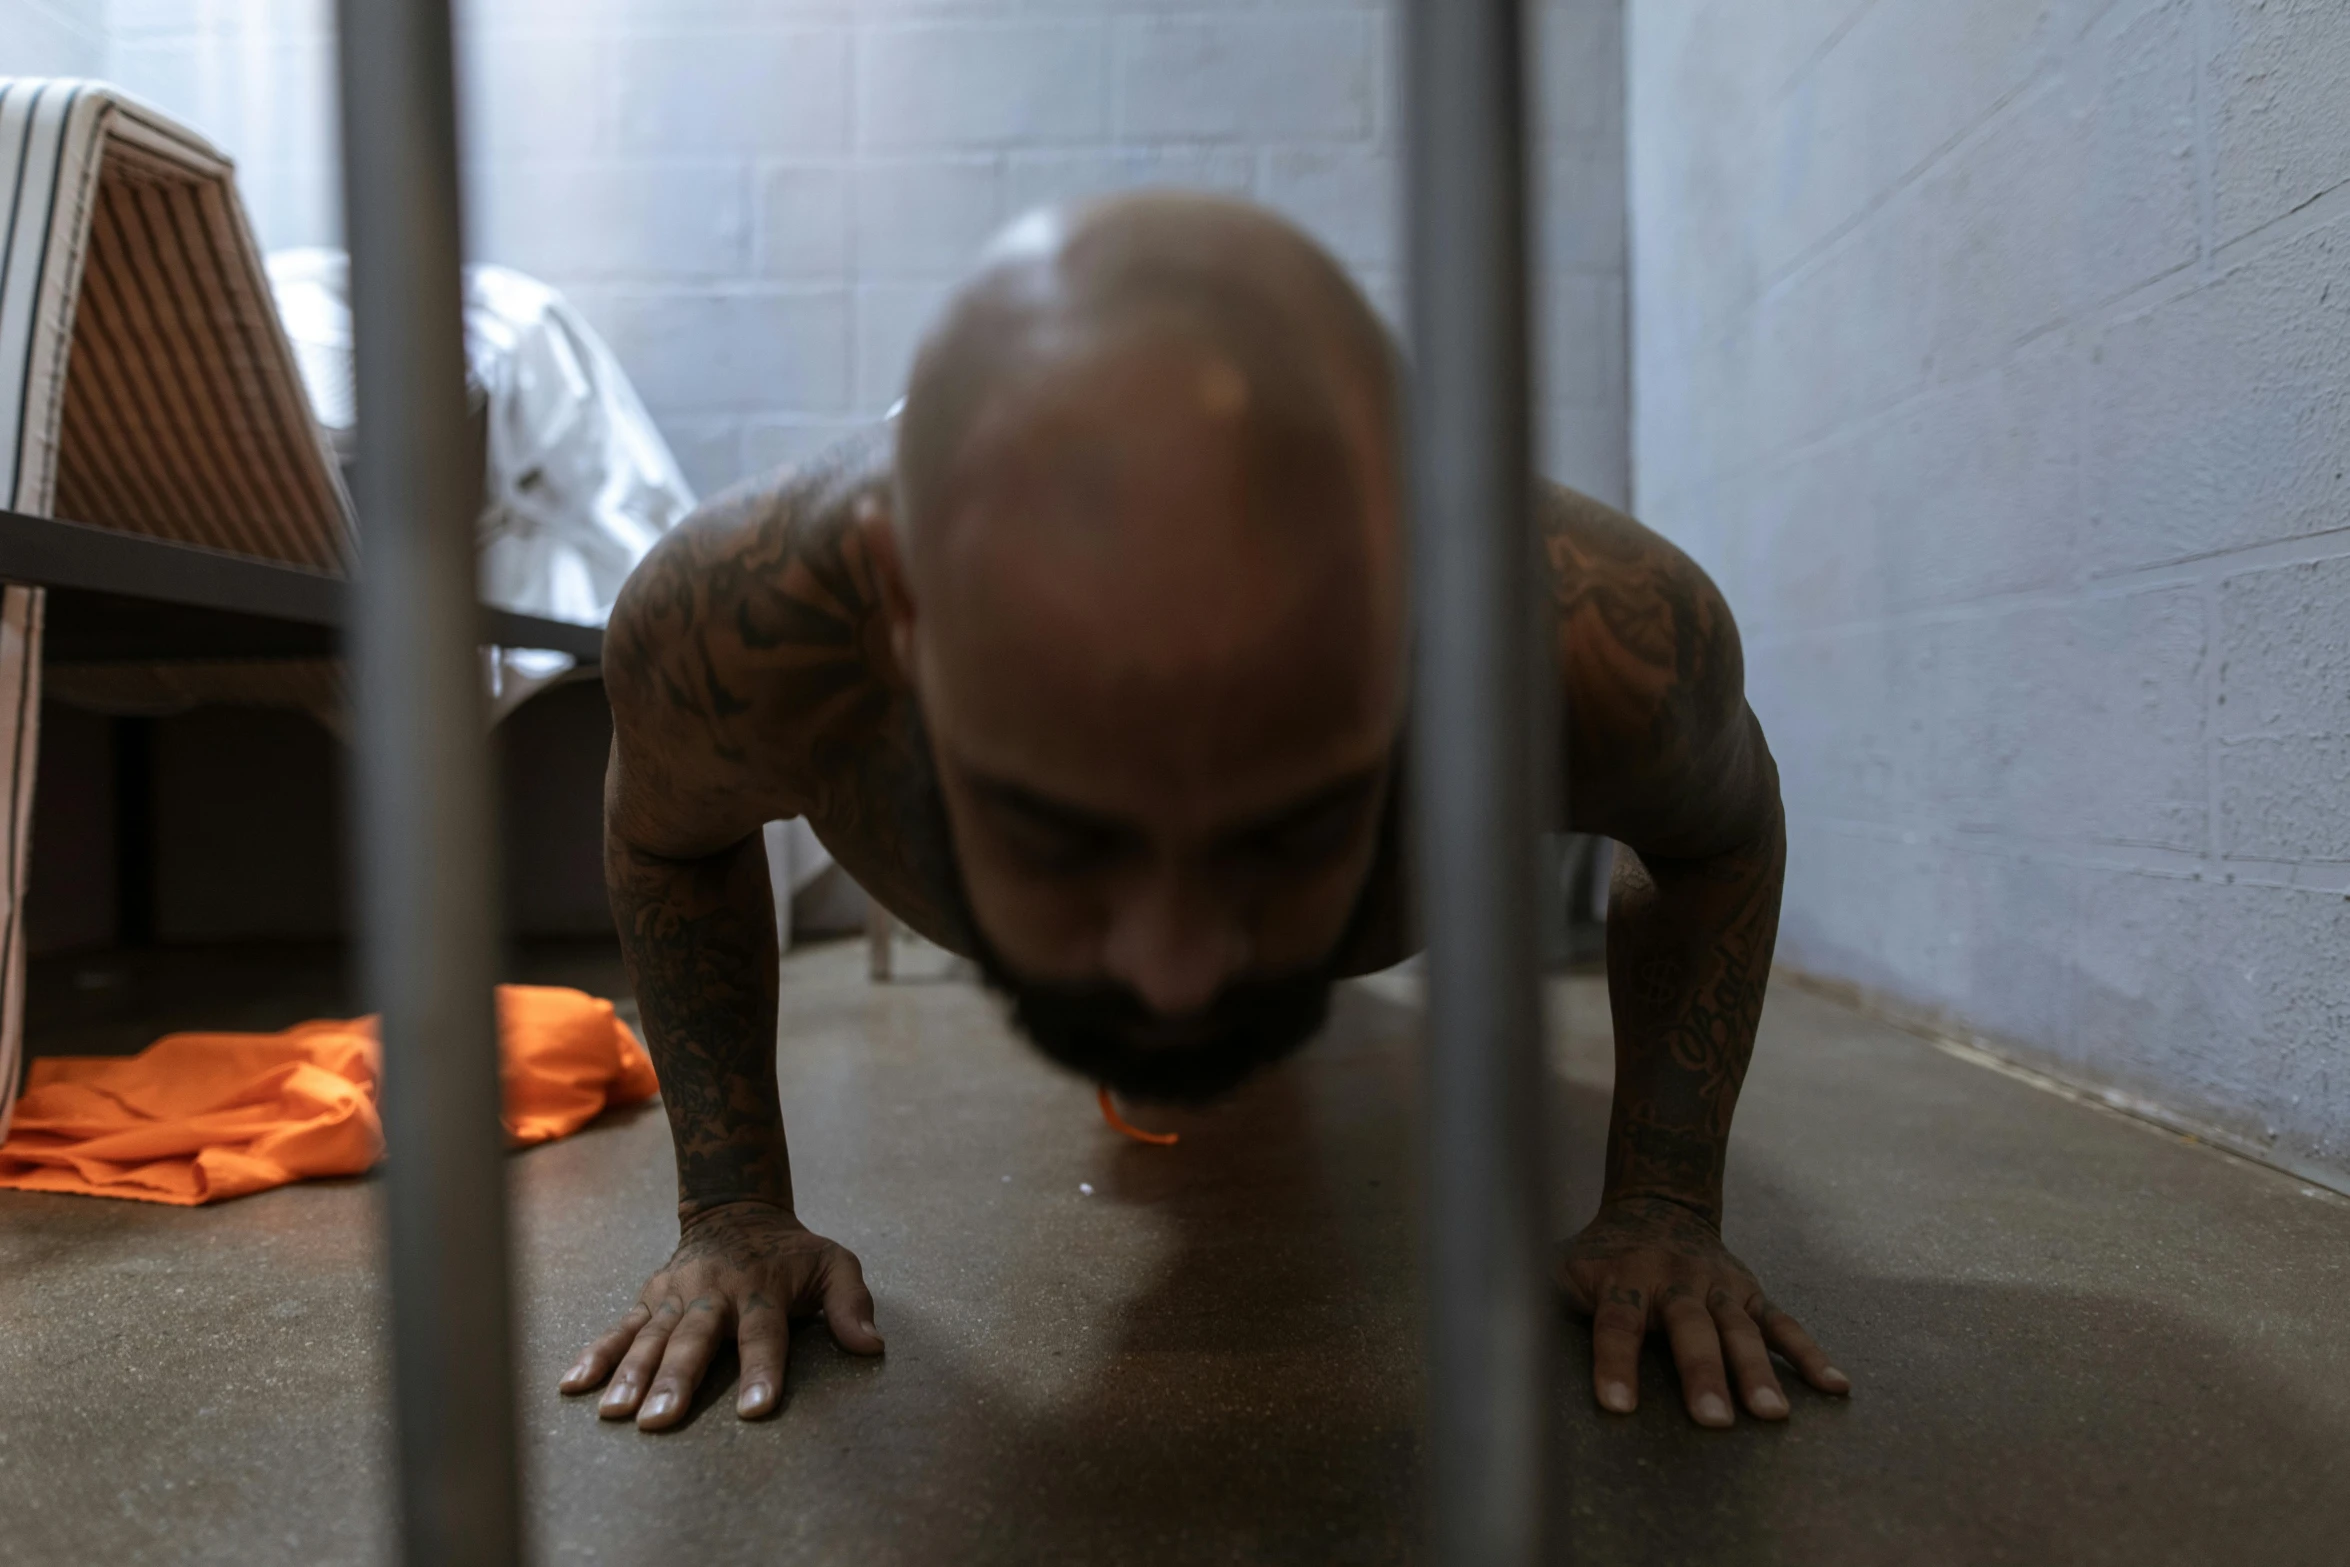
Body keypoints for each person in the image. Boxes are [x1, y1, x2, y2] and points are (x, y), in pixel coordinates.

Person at [559, 193, 1850, 1435]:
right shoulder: (744, 626)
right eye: (1063, 832)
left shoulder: (1596, 643)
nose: (1173, 970)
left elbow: (1716, 839)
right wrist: (728, 1203)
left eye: (1279, 828)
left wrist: (1667, 1195)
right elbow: (668, 837)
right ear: (902, 619)